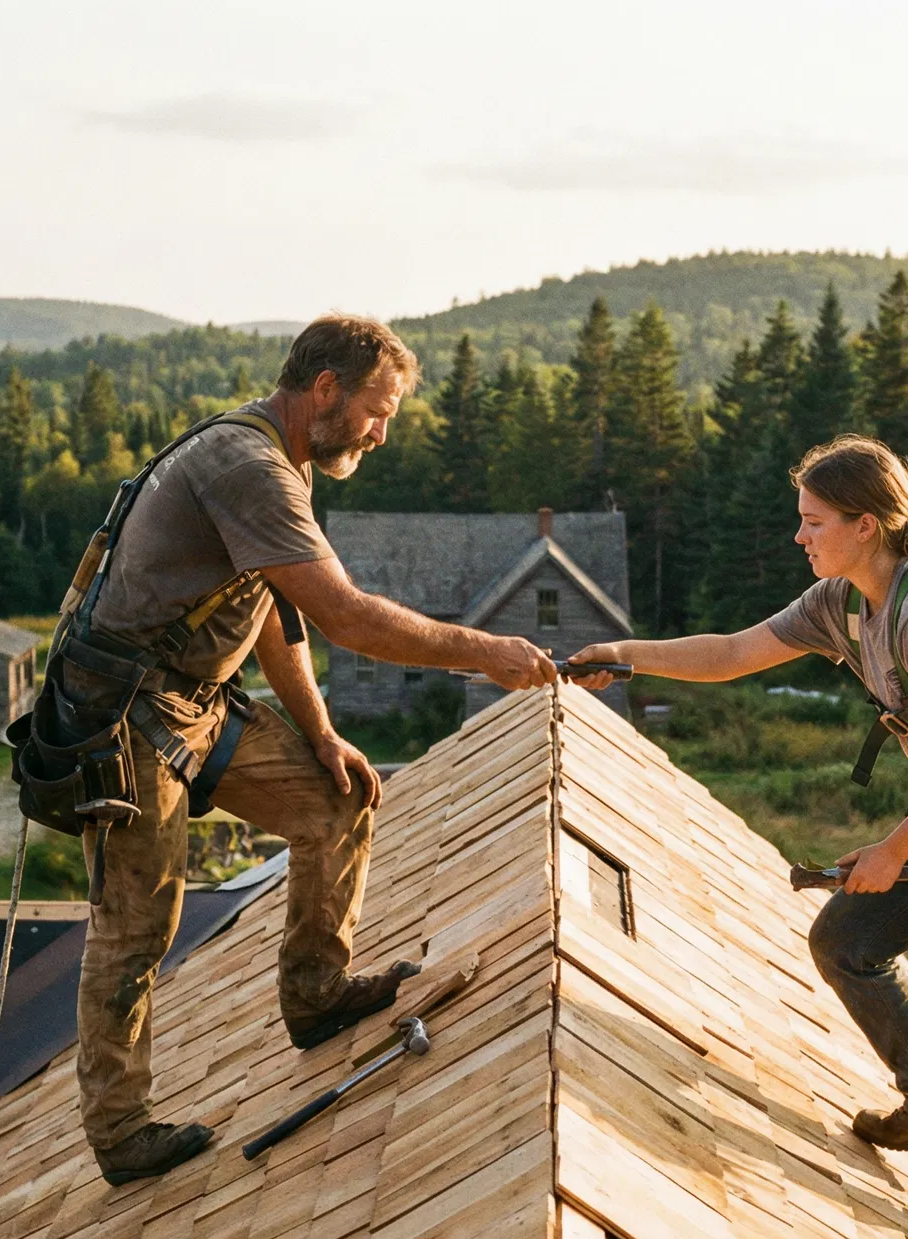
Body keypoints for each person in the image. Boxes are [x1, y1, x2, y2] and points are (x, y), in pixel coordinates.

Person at [570, 434, 908, 1239]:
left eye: (814, 523)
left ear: (869, 524)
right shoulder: (841, 602)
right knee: (846, 942)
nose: (800, 538)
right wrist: (623, 657)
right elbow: (736, 652)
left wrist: (891, 850)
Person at [68, 315, 558, 1185]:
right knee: (140, 924)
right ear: (324, 390)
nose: (382, 432)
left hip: (195, 705)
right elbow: (346, 616)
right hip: (126, 714)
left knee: (337, 800)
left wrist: (321, 733)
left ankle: (317, 995)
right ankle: (119, 1130)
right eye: (379, 411)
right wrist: (484, 651)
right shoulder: (247, 466)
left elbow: (278, 619)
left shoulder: (282, 460)